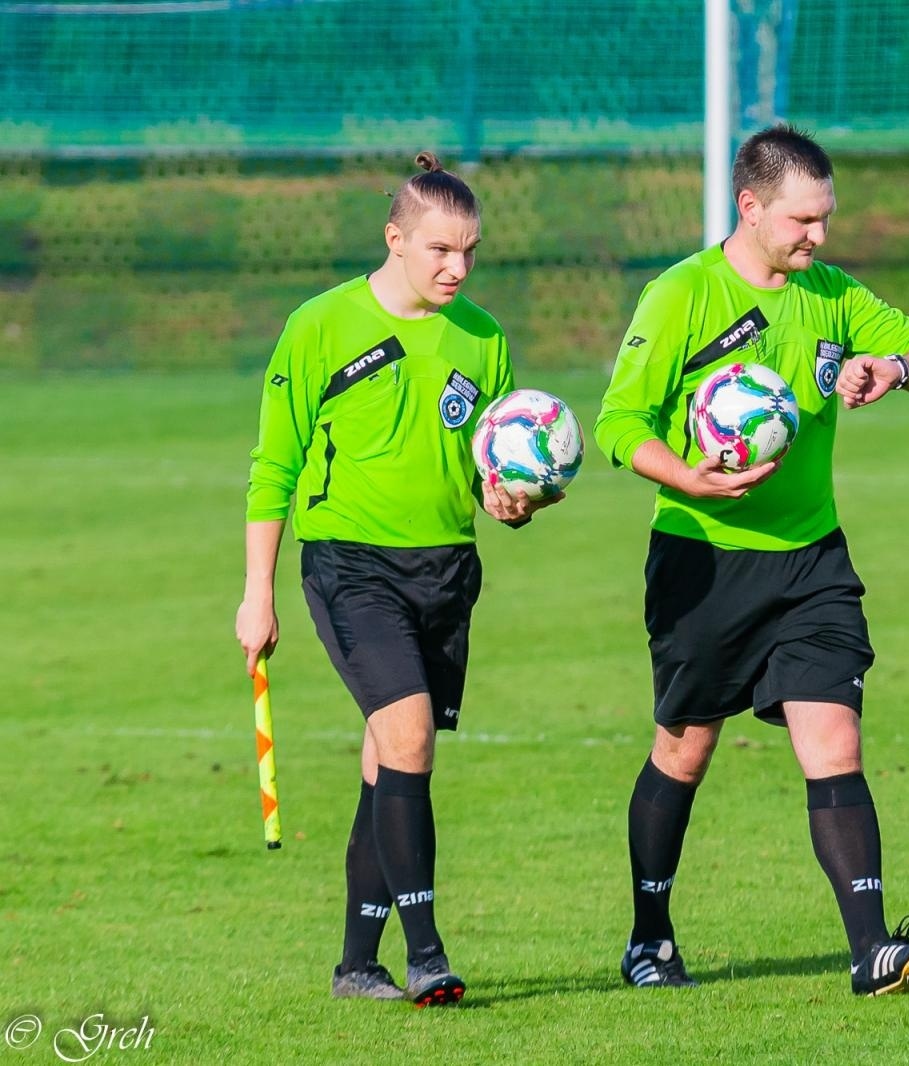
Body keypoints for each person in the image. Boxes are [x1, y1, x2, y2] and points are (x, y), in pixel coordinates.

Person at [594, 125, 909, 997]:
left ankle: (872, 950)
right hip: (703, 563)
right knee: (683, 752)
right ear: (749, 207)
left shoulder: (831, 296)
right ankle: (649, 937)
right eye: (803, 220)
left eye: (827, 219)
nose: (819, 237)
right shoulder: (681, 295)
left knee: (835, 741)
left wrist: (892, 369)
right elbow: (616, 421)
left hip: (811, 564)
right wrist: (687, 474)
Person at [234, 152, 559, 1006]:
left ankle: (356, 966)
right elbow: (274, 467)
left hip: (447, 570)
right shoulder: (320, 326)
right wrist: (256, 593)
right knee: (408, 736)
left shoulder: (484, 339)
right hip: (349, 566)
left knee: (391, 765)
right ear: (396, 239)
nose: (458, 268)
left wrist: (513, 502)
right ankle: (427, 955)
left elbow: (492, 472)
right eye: (441, 251)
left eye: (471, 252)